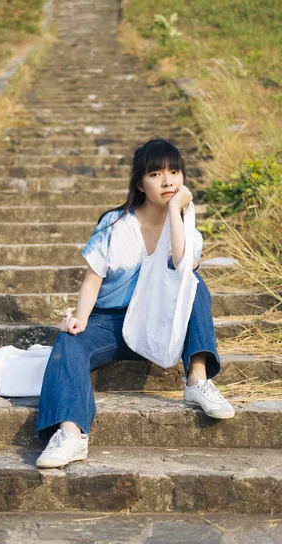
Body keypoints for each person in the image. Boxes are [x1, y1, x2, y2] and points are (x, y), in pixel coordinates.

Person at [35, 138, 235, 469]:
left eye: (174, 172)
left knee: (194, 284)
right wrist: (80, 319)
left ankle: (198, 380)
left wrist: (175, 211)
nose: (168, 181)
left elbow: (183, 264)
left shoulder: (188, 228)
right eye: (156, 174)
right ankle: (71, 433)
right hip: (111, 324)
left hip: (159, 321)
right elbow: (93, 278)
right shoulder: (115, 225)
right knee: (68, 341)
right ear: (141, 183)